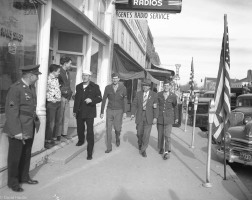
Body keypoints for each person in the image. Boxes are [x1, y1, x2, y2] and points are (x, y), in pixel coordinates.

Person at [3, 64, 41, 192]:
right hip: (18, 128)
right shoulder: (16, 88)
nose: (37, 78)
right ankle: (13, 183)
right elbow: (11, 111)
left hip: (29, 126)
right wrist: (16, 131)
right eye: (36, 76)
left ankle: (24, 177)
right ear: (30, 76)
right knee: (15, 156)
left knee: (26, 153)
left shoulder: (31, 87)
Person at [73, 69, 102, 160]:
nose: (85, 77)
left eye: (86, 75)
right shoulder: (78, 86)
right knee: (80, 129)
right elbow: (77, 99)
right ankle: (81, 140)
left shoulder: (95, 86)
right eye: (83, 75)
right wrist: (74, 111)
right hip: (80, 112)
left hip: (89, 112)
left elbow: (99, 98)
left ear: (90, 77)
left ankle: (89, 153)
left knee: (90, 132)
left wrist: (92, 100)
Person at [130, 79, 158, 158]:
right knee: (139, 133)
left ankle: (143, 149)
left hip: (149, 116)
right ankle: (139, 143)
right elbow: (134, 104)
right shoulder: (138, 94)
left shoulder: (154, 95)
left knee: (146, 134)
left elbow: (156, 107)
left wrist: (155, 117)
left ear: (149, 87)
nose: (144, 87)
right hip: (140, 115)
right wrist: (132, 113)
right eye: (143, 85)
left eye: (146, 85)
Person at [100, 73, 127, 153]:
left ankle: (117, 136)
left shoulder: (123, 88)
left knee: (117, 128)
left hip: (119, 110)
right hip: (110, 110)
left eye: (116, 78)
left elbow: (125, 100)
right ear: (112, 79)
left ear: (119, 79)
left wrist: (125, 112)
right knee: (108, 128)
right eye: (113, 78)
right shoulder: (108, 88)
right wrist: (101, 111)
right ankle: (109, 147)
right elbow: (104, 99)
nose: (115, 80)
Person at [157, 79, 178, 160]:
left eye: (167, 86)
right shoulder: (159, 94)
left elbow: (175, 107)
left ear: (170, 87)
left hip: (169, 118)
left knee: (167, 135)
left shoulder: (173, 96)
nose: (166, 87)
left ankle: (167, 151)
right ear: (163, 86)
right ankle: (161, 148)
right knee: (160, 135)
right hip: (160, 117)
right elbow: (156, 105)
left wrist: (176, 118)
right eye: (165, 85)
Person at [45, 64, 61, 149]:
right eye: (58, 71)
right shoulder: (47, 79)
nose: (59, 73)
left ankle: (53, 138)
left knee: (56, 121)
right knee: (51, 122)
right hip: (52, 103)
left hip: (58, 102)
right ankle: (48, 140)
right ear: (54, 71)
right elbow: (45, 91)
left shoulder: (56, 79)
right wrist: (51, 99)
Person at [58, 56, 73, 141]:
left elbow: (68, 85)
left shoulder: (67, 72)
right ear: (65, 63)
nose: (71, 65)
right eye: (70, 63)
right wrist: (64, 92)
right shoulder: (59, 72)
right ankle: (58, 135)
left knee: (66, 116)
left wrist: (70, 93)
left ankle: (64, 133)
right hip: (61, 97)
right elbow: (58, 85)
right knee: (60, 116)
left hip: (67, 98)